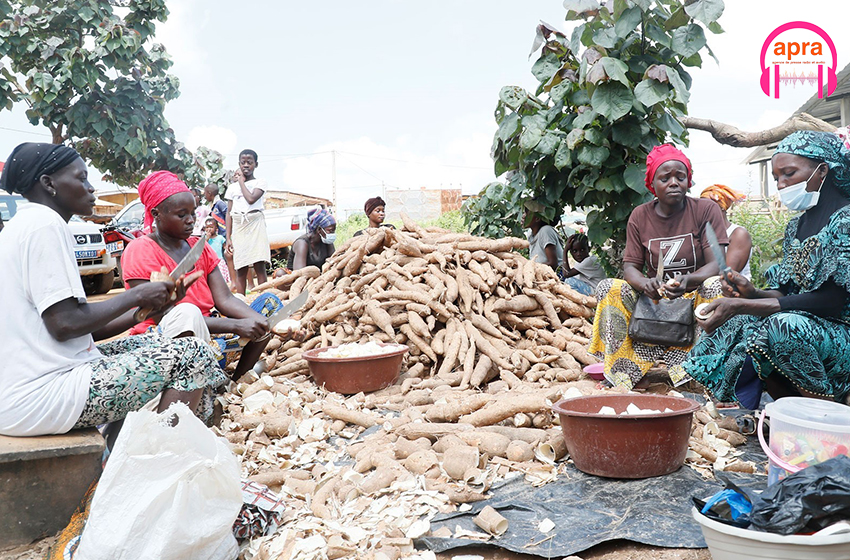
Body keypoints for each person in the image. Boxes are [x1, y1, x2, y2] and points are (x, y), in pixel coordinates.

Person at [0, 143, 225, 437]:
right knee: (193, 355)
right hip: (41, 393)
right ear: (48, 184)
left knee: (158, 344)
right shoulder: (43, 224)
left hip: (39, 383)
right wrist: (136, 295)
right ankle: (158, 458)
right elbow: (64, 324)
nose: (91, 188)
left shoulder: (28, 223)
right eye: (81, 178)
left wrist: (146, 311)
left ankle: (118, 449)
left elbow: (79, 329)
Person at [680, 131, 850, 408]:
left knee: (781, 327)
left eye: (789, 173)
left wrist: (744, 305)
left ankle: (826, 411)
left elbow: (833, 300)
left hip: (842, 330)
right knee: (736, 323)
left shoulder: (845, 220)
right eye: (776, 178)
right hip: (811, 327)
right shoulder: (797, 226)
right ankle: (787, 406)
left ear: (822, 171)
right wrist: (752, 293)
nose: (781, 185)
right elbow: (786, 291)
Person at [122, 171, 291, 382]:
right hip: (165, 338)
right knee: (203, 340)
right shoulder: (141, 250)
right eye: (182, 215)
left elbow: (225, 299)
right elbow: (162, 316)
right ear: (156, 214)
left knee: (269, 305)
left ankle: (235, 382)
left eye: (193, 213)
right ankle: (206, 379)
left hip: (209, 329)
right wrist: (235, 325)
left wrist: (265, 324)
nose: (191, 220)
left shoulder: (198, 247)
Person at [588, 144, 727, 391]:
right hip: (653, 300)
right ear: (653, 184)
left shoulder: (706, 210)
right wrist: (645, 284)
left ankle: (698, 371)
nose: (674, 182)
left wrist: (688, 281)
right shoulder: (640, 216)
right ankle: (626, 372)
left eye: (680, 177)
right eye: (665, 178)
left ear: (689, 181)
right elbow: (631, 267)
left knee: (714, 285)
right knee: (610, 287)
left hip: (693, 297)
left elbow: (716, 263)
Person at [225, 149, 270, 294]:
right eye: (243, 162)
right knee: (241, 267)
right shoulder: (232, 188)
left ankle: (264, 300)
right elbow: (229, 212)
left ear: (255, 164)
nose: (246, 165)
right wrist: (228, 237)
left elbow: (251, 199)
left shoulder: (260, 182)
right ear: (239, 163)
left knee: (259, 264)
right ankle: (241, 301)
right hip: (239, 226)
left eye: (249, 163)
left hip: (255, 224)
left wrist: (241, 182)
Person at [700, 184, 754, 280]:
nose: (704, 211)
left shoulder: (738, 234)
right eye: (702, 207)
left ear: (722, 208)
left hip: (733, 292)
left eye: (708, 207)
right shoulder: (701, 233)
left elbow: (725, 275)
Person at [203, 182, 236, 286]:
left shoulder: (220, 204)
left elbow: (228, 214)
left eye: (205, 193)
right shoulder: (213, 206)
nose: (204, 196)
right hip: (220, 236)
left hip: (225, 236)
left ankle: (233, 280)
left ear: (209, 193)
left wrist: (228, 233)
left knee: (229, 258)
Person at [204, 217, 230, 285]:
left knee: (222, 276)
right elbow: (203, 247)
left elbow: (225, 247)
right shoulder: (204, 239)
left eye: (211, 227)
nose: (209, 229)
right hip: (210, 261)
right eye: (207, 227)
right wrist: (207, 238)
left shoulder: (220, 238)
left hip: (219, 260)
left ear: (216, 229)